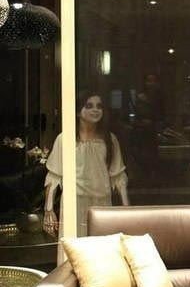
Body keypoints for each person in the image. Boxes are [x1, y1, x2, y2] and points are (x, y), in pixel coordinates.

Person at [43, 91, 129, 239]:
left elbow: (118, 176)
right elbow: (54, 175)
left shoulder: (109, 139)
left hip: (102, 203)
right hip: (74, 202)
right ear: (78, 111)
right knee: (73, 246)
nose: (95, 110)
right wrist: (48, 209)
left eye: (99, 106)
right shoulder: (65, 139)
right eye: (89, 106)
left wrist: (127, 210)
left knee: (102, 247)